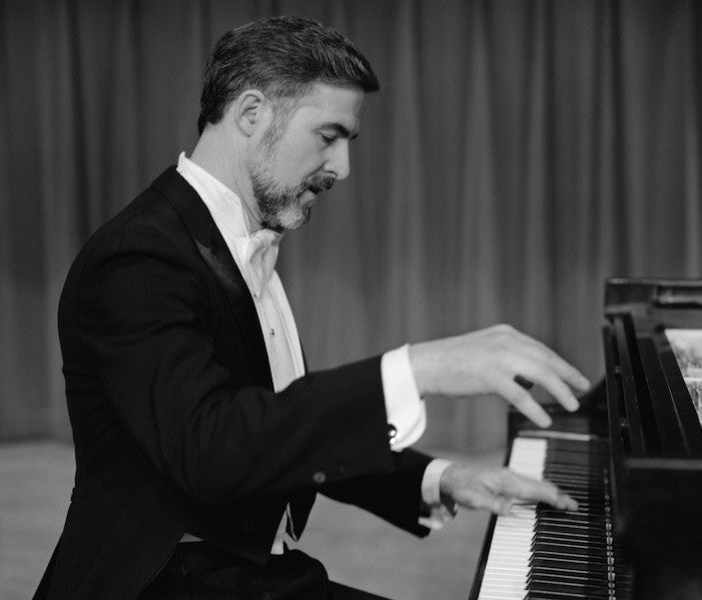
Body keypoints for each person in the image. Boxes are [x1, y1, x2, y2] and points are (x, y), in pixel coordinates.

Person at [34, 15, 590, 600]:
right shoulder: (139, 255)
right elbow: (211, 448)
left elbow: (279, 432)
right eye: (328, 136)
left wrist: (438, 477)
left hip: (237, 572)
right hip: (158, 579)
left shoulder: (238, 240)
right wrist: (417, 368)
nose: (342, 168)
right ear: (251, 114)